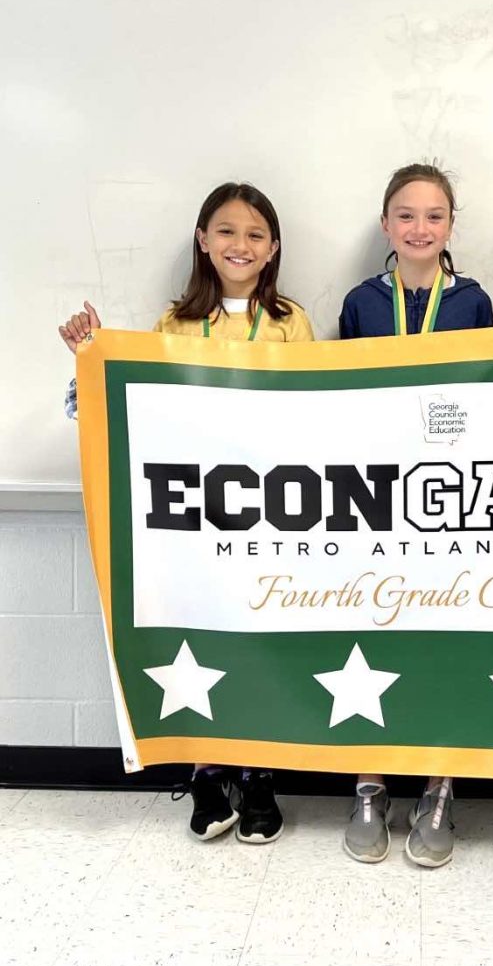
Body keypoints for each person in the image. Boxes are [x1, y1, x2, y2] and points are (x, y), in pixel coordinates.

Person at [58, 182, 313, 845]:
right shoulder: (174, 322)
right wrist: (91, 359)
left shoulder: (292, 321)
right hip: (197, 519)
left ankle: (259, 772)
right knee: (206, 632)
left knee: (266, 637)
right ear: (203, 239)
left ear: (274, 247)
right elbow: (137, 405)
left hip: (273, 514)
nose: (241, 244)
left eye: (256, 234)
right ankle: (207, 772)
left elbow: (318, 411)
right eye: (227, 231)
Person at [337, 163, 493, 868]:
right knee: (372, 629)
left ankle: (440, 782)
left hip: (450, 498)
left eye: (433, 216)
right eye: (405, 215)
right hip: (374, 494)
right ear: (384, 225)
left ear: (451, 226)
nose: (419, 228)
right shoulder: (360, 302)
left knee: (446, 634)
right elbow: (332, 392)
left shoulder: (472, 300)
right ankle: (369, 779)